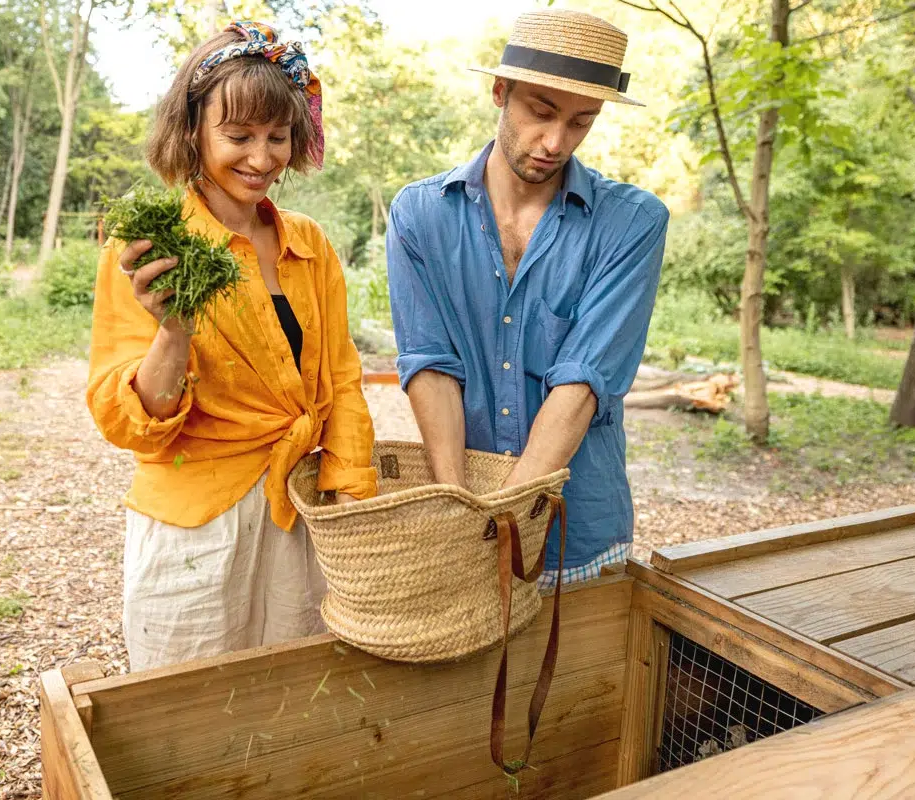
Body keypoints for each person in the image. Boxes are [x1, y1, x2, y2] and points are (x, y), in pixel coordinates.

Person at [87, 21, 377, 672]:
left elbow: (344, 381)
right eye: (238, 136)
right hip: (197, 524)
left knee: (290, 697)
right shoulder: (149, 249)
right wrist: (174, 328)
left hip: (296, 510)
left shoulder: (310, 244)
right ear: (193, 131)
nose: (261, 158)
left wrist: (353, 498)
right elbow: (131, 423)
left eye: (278, 137)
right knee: (185, 704)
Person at [386, 9, 668, 588]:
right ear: (500, 91)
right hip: (464, 518)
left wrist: (505, 519)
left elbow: (583, 382)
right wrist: (460, 507)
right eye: (541, 111)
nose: (555, 141)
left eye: (581, 122)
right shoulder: (418, 215)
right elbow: (430, 364)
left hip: (577, 526)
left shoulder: (632, 223)